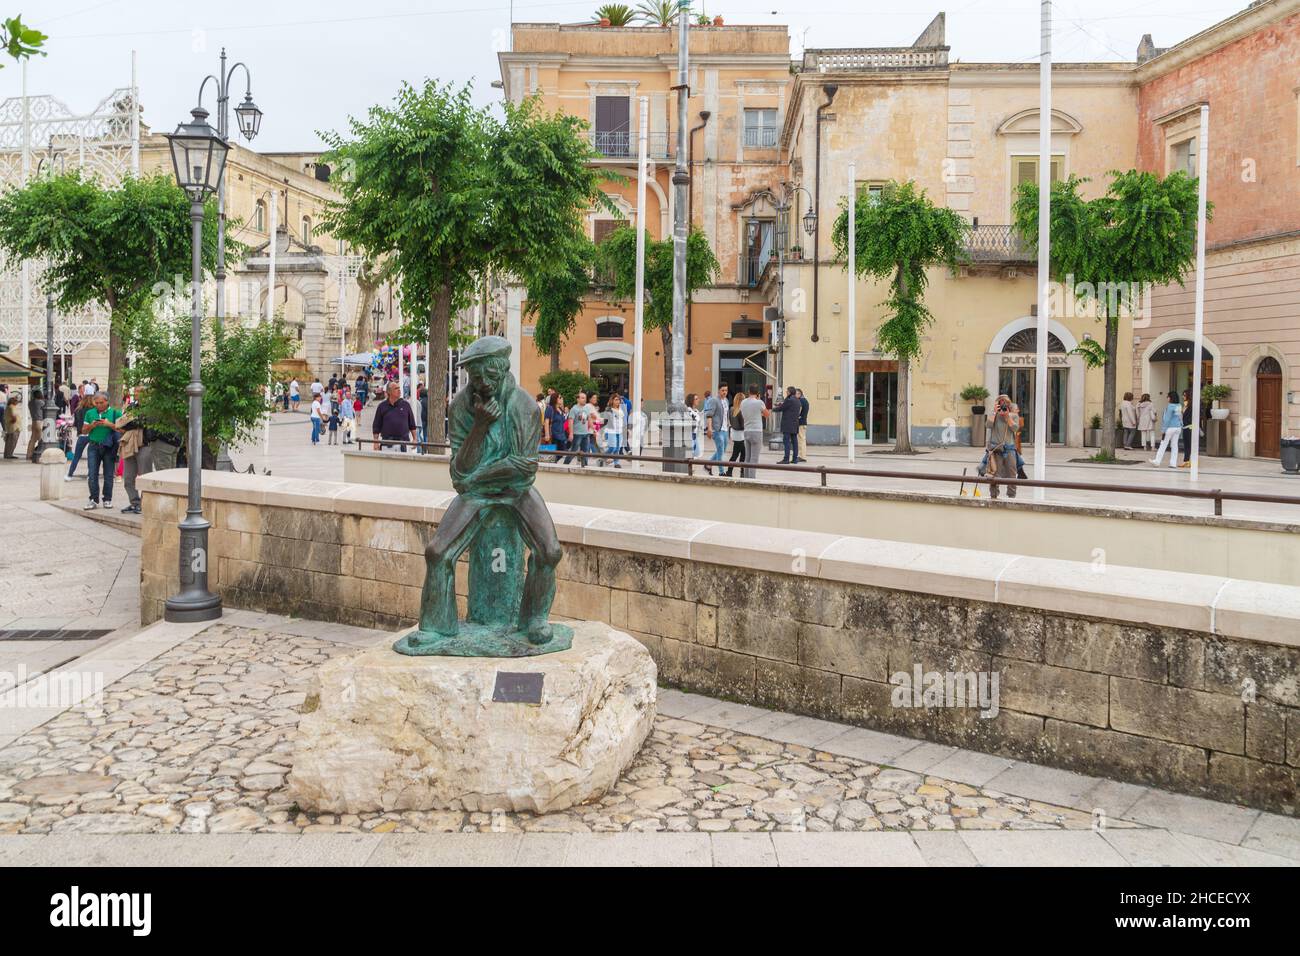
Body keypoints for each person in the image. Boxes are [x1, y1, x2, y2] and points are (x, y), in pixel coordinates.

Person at [81, 393, 121, 510]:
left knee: (108, 474)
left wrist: (109, 424)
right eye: (96, 403)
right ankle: (93, 499)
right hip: (93, 446)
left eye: (101, 403)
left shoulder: (115, 413)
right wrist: (92, 426)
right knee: (92, 473)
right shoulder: (90, 413)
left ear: (107, 402)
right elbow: (83, 431)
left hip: (109, 447)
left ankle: (107, 499)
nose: (98, 405)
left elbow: (122, 429)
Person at [117, 404, 154, 514]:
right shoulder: (131, 407)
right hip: (130, 445)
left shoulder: (150, 408)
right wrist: (129, 423)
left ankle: (145, 504)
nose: (137, 393)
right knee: (128, 477)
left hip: (145, 445)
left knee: (145, 477)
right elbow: (121, 423)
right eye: (136, 391)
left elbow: (142, 423)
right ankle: (135, 503)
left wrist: (129, 423)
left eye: (140, 391)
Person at [979, 393, 1021, 479]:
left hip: (1009, 449)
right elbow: (988, 425)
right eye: (1000, 403)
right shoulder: (994, 415)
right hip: (996, 449)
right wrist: (994, 412)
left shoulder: (1013, 416)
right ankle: (994, 493)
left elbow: (1015, 429)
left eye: (1005, 403)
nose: (1003, 406)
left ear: (1009, 404)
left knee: (1012, 475)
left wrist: (1007, 417)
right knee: (994, 474)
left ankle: (1011, 493)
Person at [372, 380, 418, 451]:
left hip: (404, 443)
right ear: (389, 392)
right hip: (387, 444)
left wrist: (415, 439)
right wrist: (375, 442)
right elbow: (376, 426)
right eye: (396, 388)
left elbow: (412, 424)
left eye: (399, 388)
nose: (399, 390)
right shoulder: (382, 406)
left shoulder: (406, 405)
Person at [739, 384, 768, 479]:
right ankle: (752, 480)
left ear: (748, 391)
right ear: (758, 393)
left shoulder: (743, 402)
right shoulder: (759, 402)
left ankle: (746, 478)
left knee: (747, 457)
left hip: (747, 431)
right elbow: (767, 414)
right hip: (756, 431)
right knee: (754, 459)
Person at [64, 393, 94, 480]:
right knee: (91, 456)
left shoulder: (78, 410)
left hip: (82, 434)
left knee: (76, 456)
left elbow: (76, 424)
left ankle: (69, 475)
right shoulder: (94, 411)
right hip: (92, 434)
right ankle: (90, 475)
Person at [701, 384, 729, 475]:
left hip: (725, 429)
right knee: (720, 451)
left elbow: (725, 414)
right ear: (718, 391)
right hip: (717, 429)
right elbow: (709, 415)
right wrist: (709, 428)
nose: (724, 392)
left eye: (726, 390)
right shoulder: (714, 400)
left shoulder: (726, 401)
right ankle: (721, 472)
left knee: (722, 450)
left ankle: (708, 465)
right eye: (722, 390)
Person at [1150, 391, 1183, 468]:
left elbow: (1167, 419)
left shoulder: (1170, 406)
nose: (1167, 398)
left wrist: (1163, 430)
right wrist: (1181, 425)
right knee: (1175, 445)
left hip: (1169, 428)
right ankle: (1173, 463)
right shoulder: (1179, 405)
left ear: (1171, 398)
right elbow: (1180, 417)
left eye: (1168, 397)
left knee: (1163, 444)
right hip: (1178, 428)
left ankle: (1157, 461)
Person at [564, 390, 597, 466]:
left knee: (585, 452)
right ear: (578, 399)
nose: (584, 399)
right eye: (582, 398)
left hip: (586, 434)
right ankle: (565, 465)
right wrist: (571, 433)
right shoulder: (574, 409)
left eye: (585, 398)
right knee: (573, 451)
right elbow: (570, 422)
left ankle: (584, 466)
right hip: (577, 434)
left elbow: (589, 419)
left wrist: (594, 429)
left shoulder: (587, 408)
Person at [722, 392, 746, 477]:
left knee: (742, 453)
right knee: (736, 455)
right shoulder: (741, 411)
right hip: (741, 435)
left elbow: (731, 422)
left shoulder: (731, 409)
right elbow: (743, 425)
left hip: (734, 434)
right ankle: (731, 472)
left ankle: (741, 472)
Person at [777, 385, 801, 464]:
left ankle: (786, 459)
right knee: (795, 442)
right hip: (795, 424)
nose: (786, 392)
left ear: (790, 392)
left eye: (787, 391)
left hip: (788, 425)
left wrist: (773, 409)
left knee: (786, 442)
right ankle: (795, 459)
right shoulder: (797, 400)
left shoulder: (789, 400)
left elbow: (782, 408)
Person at [603, 392, 625, 467]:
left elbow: (623, 420)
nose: (617, 401)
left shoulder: (621, 409)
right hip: (611, 431)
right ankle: (602, 457)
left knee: (617, 449)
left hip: (620, 431)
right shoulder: (609, 409)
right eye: (616, 400)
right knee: (612, 447)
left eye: (618, 400)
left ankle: (616, 463)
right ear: (612, 400)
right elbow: (605, 421)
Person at [543, 393, 567, 461]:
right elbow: (546, 422)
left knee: (562, 452)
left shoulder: (560, 409)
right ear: (555, 399)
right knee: (553, 453)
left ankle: (554, 461)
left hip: (562, 435)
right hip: (554, 434)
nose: (561, 399)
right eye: (560, 397)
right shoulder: (550, 408)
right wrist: (547, 435)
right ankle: (553, 462)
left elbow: (563, 422)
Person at [26, 389, 45, 462]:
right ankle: (40, 454)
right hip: (39, 422)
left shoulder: (30, 402)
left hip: (33, 421)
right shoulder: (40, 402)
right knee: (41, 439)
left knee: (32, 440)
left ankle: (29, 455)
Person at [1179, 388, 1195, 468]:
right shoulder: (1185, 404)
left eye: (1184, 395)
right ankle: (1187, 461)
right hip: (1185, 427)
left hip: (1189, 427)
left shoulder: (1191, 405)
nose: (1183, 396)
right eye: (1183, 395)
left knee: (1188, 445)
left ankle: (1187, 461)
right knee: (1187, 445)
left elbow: (1191, 416)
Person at [2, 393, 20, 459]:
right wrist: (14, 421)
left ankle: (7, 454)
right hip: (14, 427)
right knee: (12, 442)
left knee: (9, 442)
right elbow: (13, 416)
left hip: (10, 427)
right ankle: (9, 455)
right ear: (13, 401)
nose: (17, 402)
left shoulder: (8, 407)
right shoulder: (12, 407)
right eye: (16, 401)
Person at [686, 393, 701, 460]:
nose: (698, 400)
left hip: (694, 434)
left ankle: (689, 468)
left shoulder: (696, 411)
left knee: (695, 453)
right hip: (689, 434)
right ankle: (688, 469)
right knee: (690, 454)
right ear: (691, 400)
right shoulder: (688, 410)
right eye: (696, 399)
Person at [796, 388, 810, 463]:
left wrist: (796, 416)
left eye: (796, 394)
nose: (795, 395)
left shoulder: (801, 401)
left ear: (799, 394)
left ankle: (802, 456)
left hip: (801, 423)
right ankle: (802, 455)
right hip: (803, 422)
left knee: (801, 440)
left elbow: (798, 411)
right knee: (802, 439)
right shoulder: (805, 401)